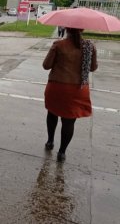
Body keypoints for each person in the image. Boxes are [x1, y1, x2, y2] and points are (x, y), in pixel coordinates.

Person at [42, 27, 98, 162]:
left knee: (52, 114)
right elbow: (93, 68)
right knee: (69, 121)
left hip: (57, 86)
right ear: (83, 30)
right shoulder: (89, 47)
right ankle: (62, 152)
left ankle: (50, 142)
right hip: (78, 90)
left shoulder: (59, 45)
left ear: (66, 29)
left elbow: (46, 65)